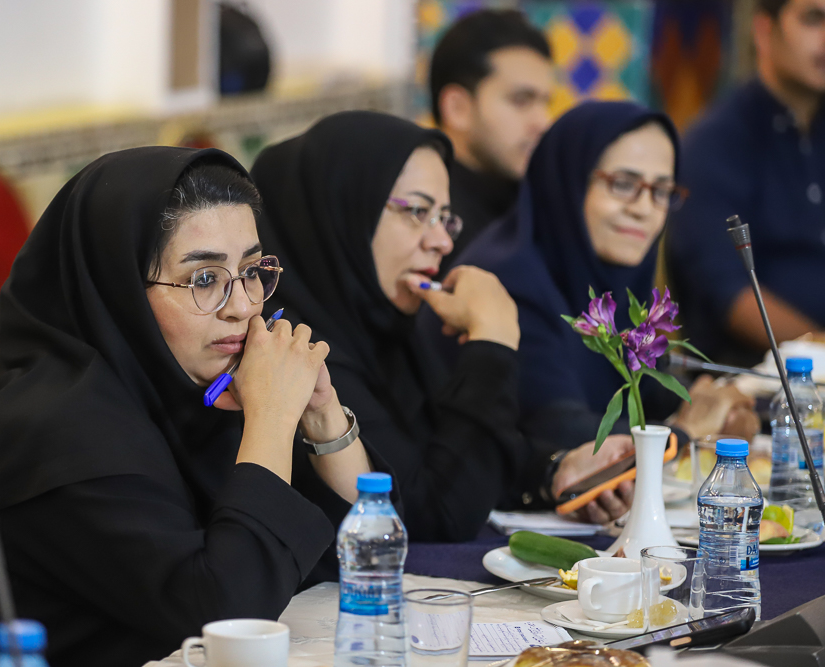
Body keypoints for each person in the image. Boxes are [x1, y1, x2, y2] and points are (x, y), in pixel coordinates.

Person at [0, 148, 379, 666]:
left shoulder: (193, 388)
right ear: (119, 288)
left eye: (252, 270)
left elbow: (361, 558)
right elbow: (227, 617)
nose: (243, 306)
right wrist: (273, 418)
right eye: (204, 278)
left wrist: (322, 414)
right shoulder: (58, 433)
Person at [251, 110, 639, 539]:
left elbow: (455, 455)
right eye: (417, 211)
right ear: (340, 210)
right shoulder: (292, 349)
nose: (442, 241)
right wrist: (491, 344)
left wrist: (555, 470)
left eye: (446, 217)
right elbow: (441, 512)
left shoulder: (386, 329)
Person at [422, 101, 760, 451]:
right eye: (623, 184)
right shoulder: (509, 281)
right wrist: (684, 432)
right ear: (566, 181)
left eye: (661, 191)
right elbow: (560, 433)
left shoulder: (607, 272)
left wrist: (715, 407)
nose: (644, 209)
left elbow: (645, 390)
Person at [667, 0, 825, 366]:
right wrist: (818, 350)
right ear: (764, 31)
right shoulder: (714, 143)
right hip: (752, 379)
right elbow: (730, 296)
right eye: (813, 18)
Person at [429, 8, 554, 267]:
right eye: (521, 100)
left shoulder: (533, 204)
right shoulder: (427, 225)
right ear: (457, 108)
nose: (543, 122)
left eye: (545, 103)